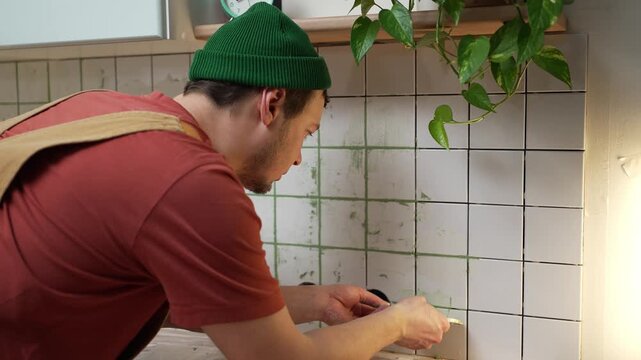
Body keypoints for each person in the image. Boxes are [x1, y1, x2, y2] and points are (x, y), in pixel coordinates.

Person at [0, 3, 449, 359]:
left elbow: (163, 295)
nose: (297, 160)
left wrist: (314, 302)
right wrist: (397, 321)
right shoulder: (193, 183)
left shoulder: (98, 109)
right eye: (306, 134)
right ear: (272, 104)